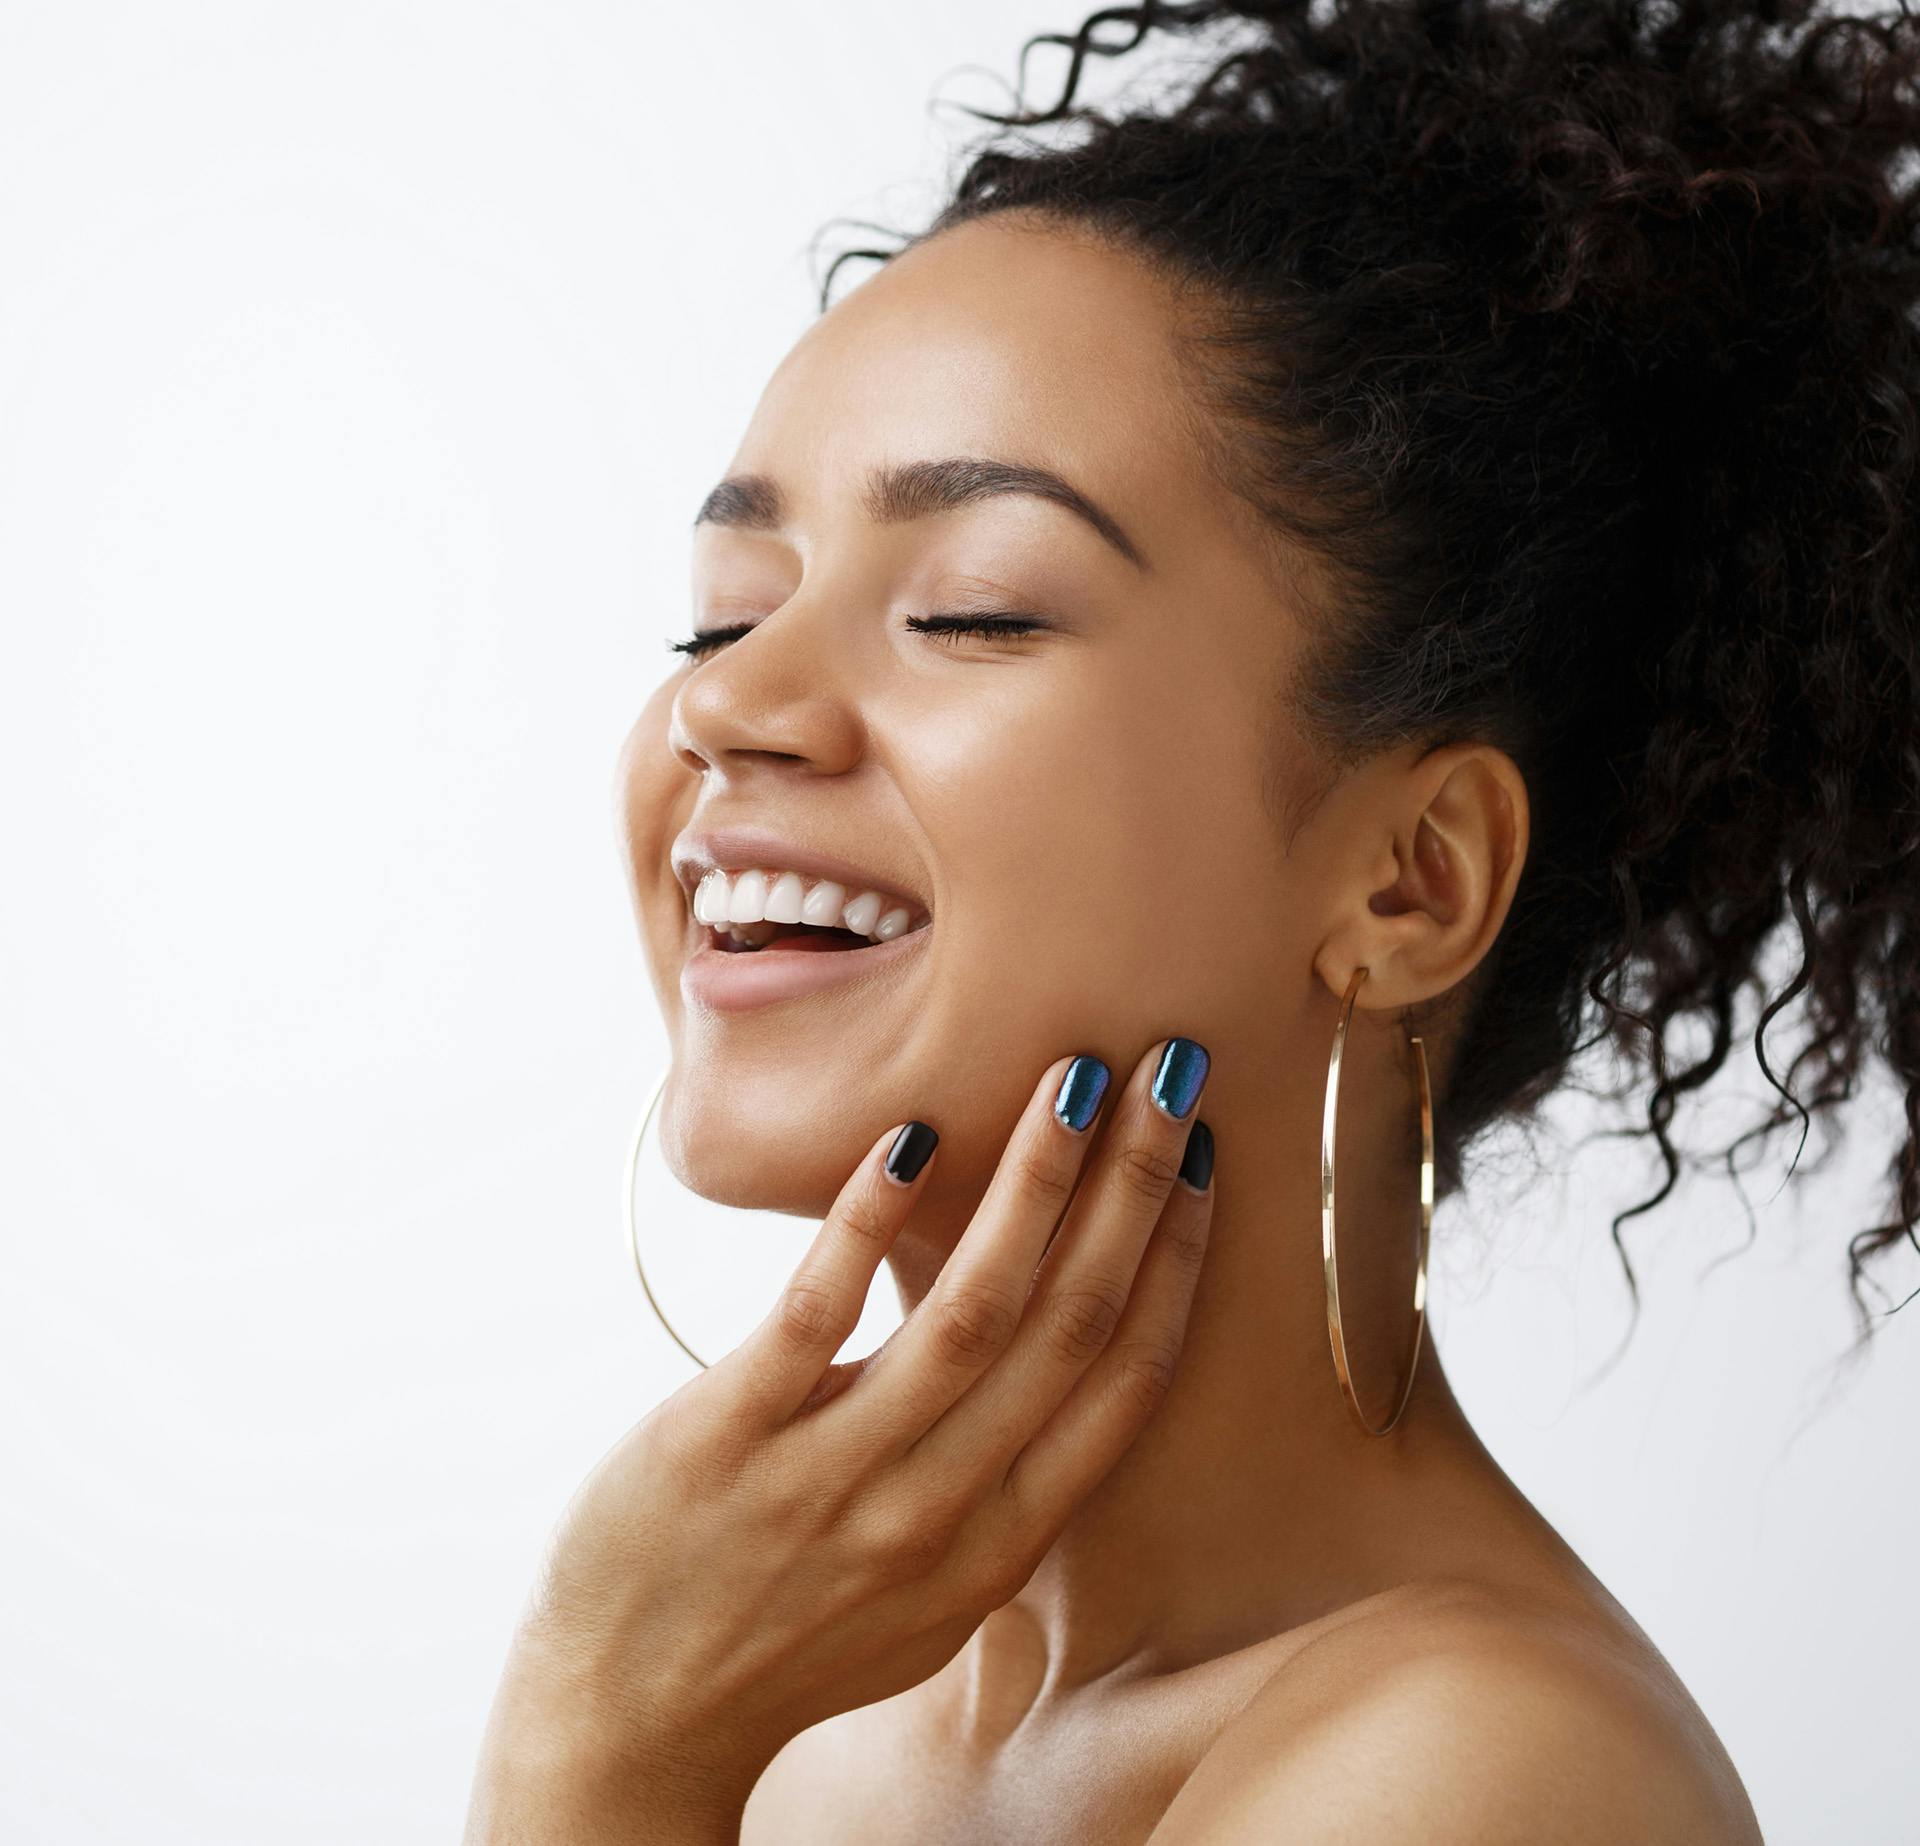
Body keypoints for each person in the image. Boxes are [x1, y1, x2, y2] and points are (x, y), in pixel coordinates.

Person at [464, 1, 1920, 1838]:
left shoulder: (1487, 1772)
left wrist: (593, 1744)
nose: (724, 703)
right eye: (723, 613)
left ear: (1412, 879)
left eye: (974, 610)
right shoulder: (794, 1732)